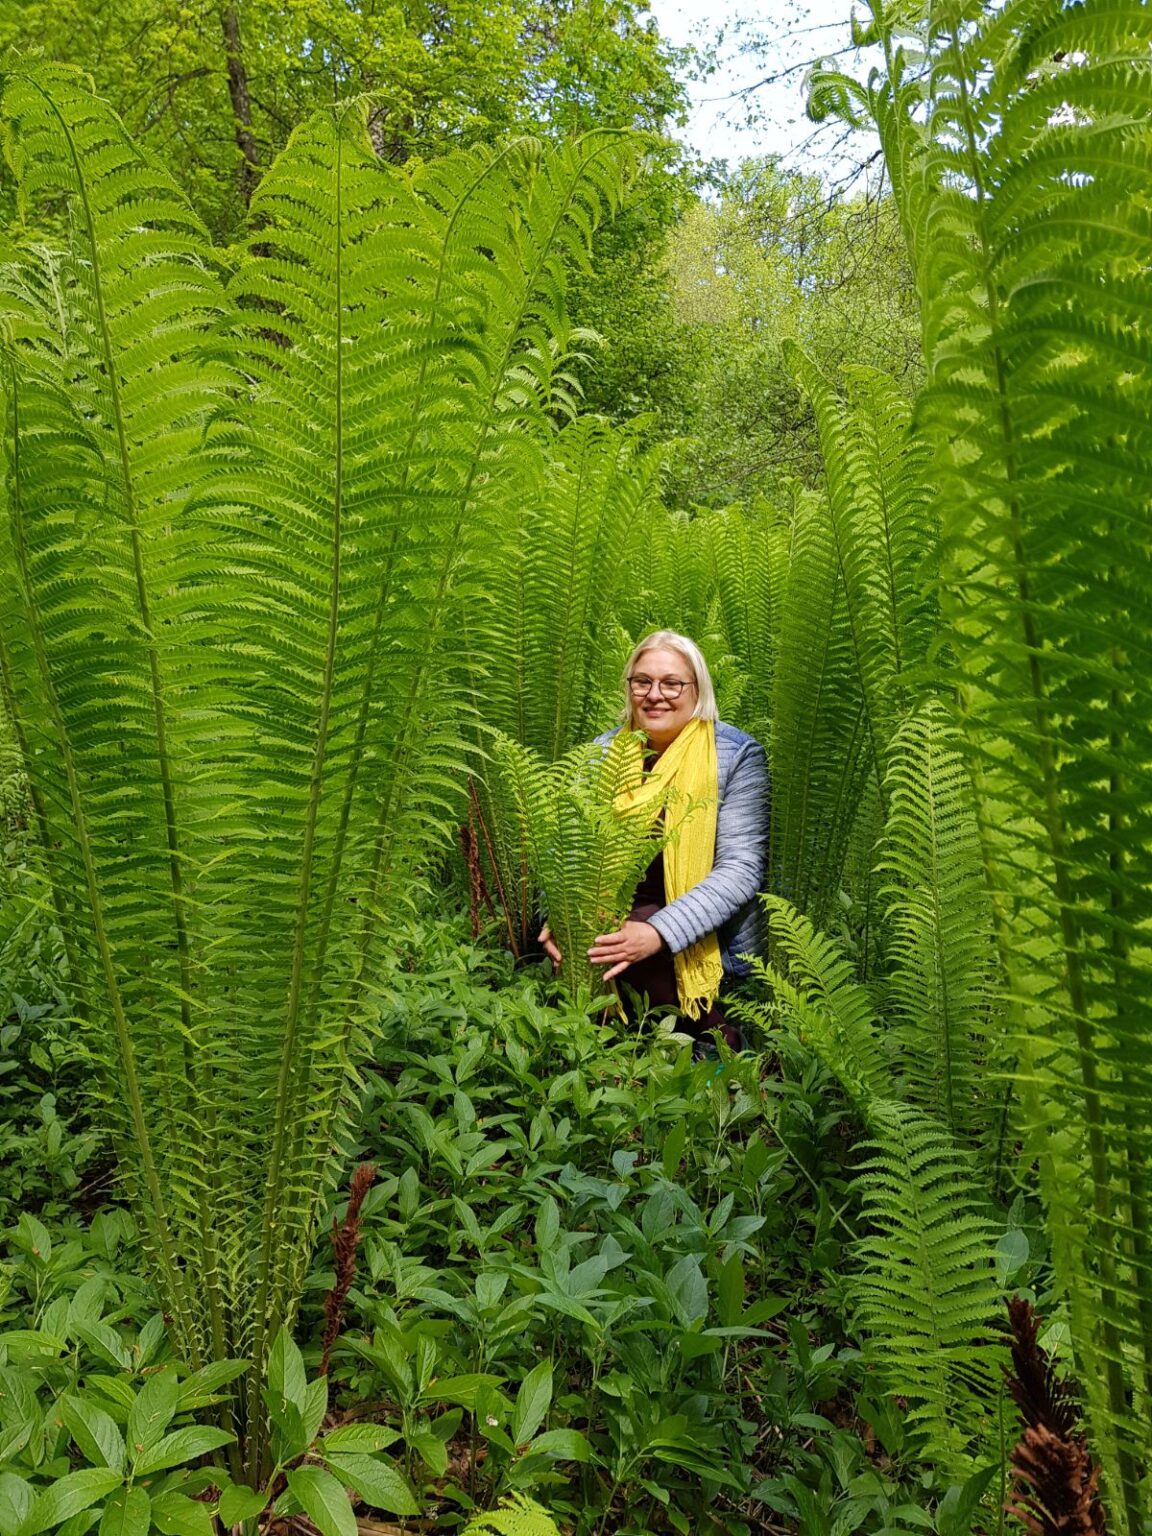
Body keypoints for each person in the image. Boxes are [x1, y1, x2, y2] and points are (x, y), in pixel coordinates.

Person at [541, 630, 770, 1051]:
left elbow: (741, 871)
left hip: (699, 928)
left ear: (697, 689)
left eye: (671, 683)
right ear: (628, 688)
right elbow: (565, 850)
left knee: (619, 942)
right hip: (609, 917)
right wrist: (561, 914)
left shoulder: (736, 756)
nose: (654, 695)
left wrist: (657, 933)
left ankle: (719, 1042)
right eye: (641, 681)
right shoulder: (602, 754)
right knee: (606, 939)